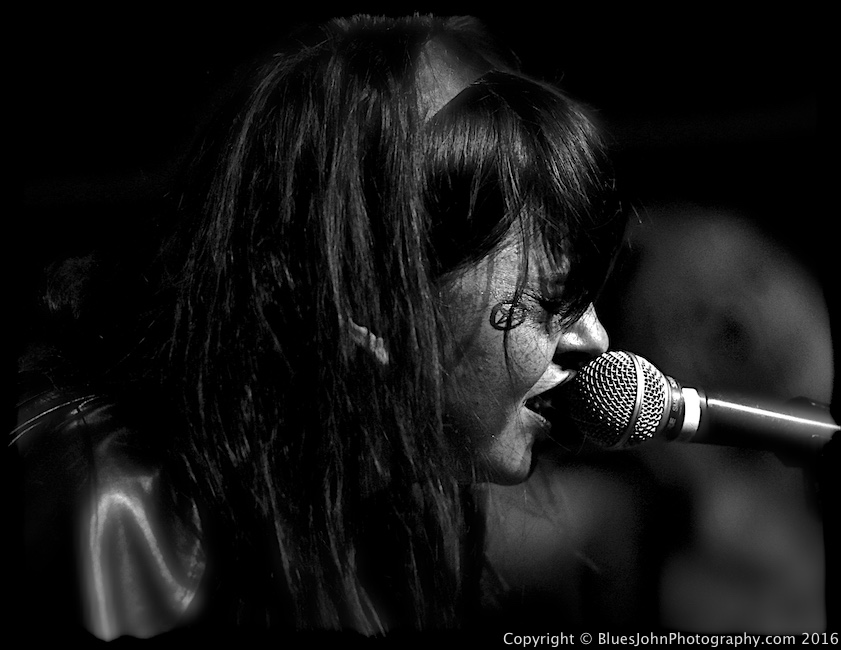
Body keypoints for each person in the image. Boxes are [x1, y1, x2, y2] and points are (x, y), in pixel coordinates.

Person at [14, 14, 624, 640]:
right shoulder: (117, 505)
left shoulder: (380, 516)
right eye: (548, 301)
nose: (593, 339)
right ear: (377, 306)